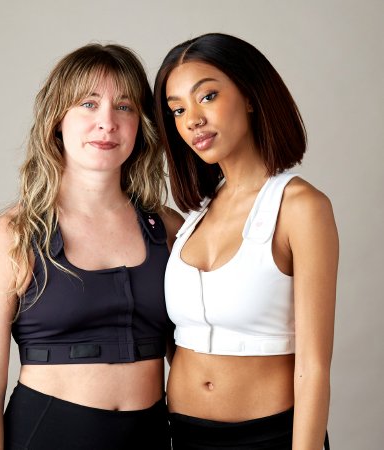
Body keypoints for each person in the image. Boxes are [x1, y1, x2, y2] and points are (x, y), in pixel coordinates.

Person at [0, 43, 182, 450]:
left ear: (141, 124)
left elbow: (193, 358)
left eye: (124, 107)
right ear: (57, 120)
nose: (107, 123)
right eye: (88, 104)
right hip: (46, 436)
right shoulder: (8, 237)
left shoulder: (168, 229)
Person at [154, 33, 338, 450]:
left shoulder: (301, 207)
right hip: (183, 434)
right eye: (178, 109)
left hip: (269, 436)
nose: (192, 120)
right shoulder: (194, 217)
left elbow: (313, 367)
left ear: (251, 97)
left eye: (208, 96)